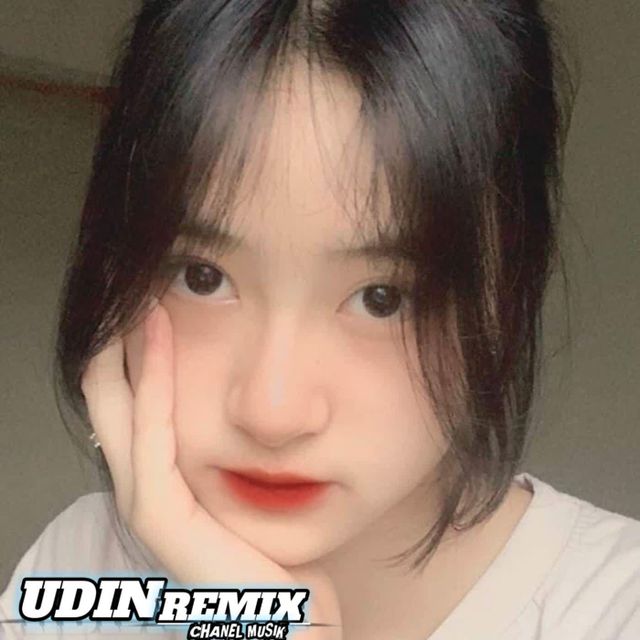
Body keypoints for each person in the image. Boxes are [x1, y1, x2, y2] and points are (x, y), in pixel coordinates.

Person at [1, 0, 639, 638]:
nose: (272, 413)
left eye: (382, 298)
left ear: (504, 292)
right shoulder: (82, 575)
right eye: (201, 277)